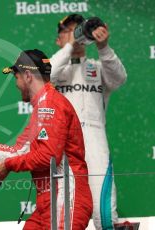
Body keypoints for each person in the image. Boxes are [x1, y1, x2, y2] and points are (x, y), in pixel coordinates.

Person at [0, 49, 93, 229]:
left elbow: (49, 157)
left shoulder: (49, 104)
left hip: (65, 196)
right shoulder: (42, 106)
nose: (16, 83)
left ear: (27, 75)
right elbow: (18, 152)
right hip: (48, 199)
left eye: (16, 77)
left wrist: (8, 165)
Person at [50, 14, 127, 230]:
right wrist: (69, 48)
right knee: (65, 215)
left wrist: (103, 47)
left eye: (78, 30)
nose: (75, 35)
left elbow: (119, 78)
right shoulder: (55, 68)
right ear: (58, 40)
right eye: (68, 31)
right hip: (63, 145)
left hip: (95, 141)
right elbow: (44, 77)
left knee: (105, 214)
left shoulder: (98, 66)